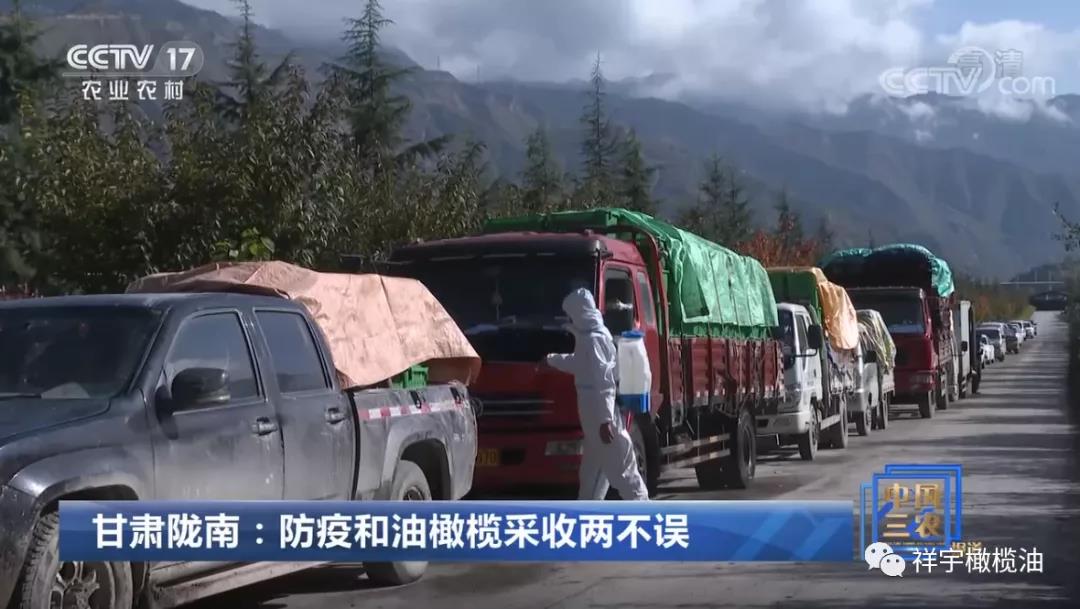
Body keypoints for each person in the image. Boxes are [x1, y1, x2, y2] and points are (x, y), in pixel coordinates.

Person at [545, 288, 649, 501]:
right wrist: (551, 360)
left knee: (623, 471)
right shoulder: (588, 338)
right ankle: (588, 513)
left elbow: (605, 382)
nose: (569, 319)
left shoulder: (595, 339)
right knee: (593, 475)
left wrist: (605, 420)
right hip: (594, 416)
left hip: (600, 415)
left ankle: (644, 511)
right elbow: (581, 364)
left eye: (571, 314)